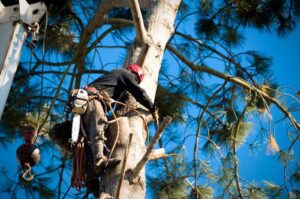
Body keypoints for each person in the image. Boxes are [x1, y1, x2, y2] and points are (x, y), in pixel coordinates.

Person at [82, 64, 158, 173]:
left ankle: (92, 175)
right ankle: (99, 160)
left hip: (87, 103)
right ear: (132, 72)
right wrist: (152, 107)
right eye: (135, 79)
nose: (134, 81)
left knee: (90, 137)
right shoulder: (124, 73)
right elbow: (138, 92)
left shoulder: (115, 82)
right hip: (93, 99)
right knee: (100, 123)